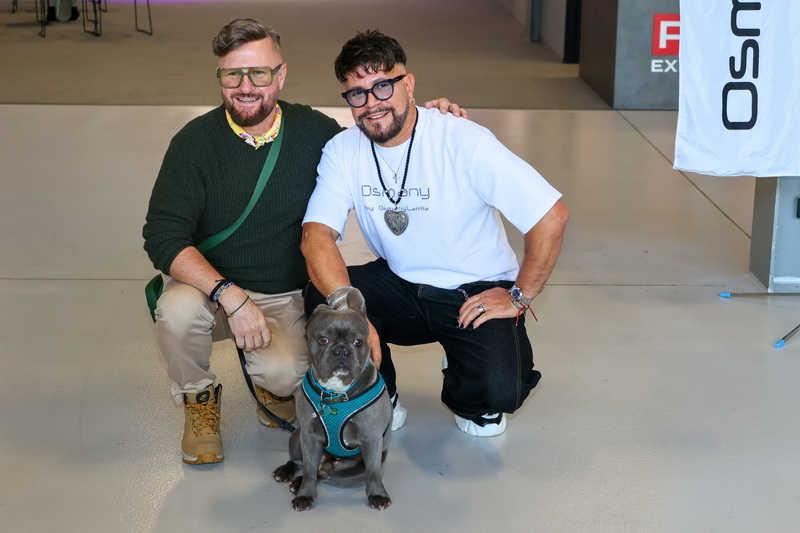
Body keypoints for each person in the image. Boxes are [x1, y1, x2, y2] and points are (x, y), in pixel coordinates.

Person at [143, 19, 464, 465]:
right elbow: (161, 235)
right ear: (220, 77)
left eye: (259, 73)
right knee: (175, 313)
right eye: (232, 74)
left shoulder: (316, 133)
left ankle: (268, 384)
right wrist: (228, 295)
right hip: (209, 289)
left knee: (289, 375)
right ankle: (198, 401)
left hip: (282, 294)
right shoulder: (193, 143)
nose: (245, 86)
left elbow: (379, 141)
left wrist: (429, 118)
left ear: (281, 75)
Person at [301, 30, 569, 437]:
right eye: (357, 93)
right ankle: (377, 393)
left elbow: (551, 216)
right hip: (401, 282)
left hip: (473, 291)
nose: (371, 103)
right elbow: (316, 237)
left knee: (501, 391)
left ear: (408, 84)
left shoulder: (463, 140)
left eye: (382, 86)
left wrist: (519, 296)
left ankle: (466, 388)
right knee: (325, 293)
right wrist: (351, 311)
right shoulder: (343, 150)